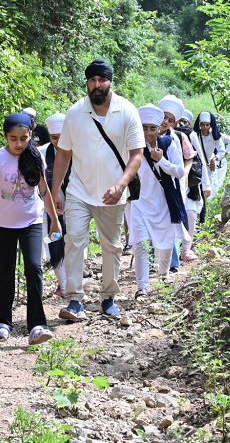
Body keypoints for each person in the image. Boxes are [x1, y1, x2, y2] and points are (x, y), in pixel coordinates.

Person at [50, 59, 145, 321]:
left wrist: (121, 184)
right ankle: (75, 300)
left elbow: (137, 155)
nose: (96, 85)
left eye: (101, 80)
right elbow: (63, 154)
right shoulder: (75, 112)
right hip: (79, 191)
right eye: (92, 80)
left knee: (112, 246)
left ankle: (108, 298)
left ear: (110, 82)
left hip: (113, 193)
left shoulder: (126, 111)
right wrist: (56, 190)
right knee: (74, 242)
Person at [0, 112, 62, 344]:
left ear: (30, 135)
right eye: (13, 138)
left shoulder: (36, 157)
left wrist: (54, 220)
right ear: (5, 136)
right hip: (3, 223)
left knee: (34, 267)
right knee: (5, 271)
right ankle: (3, 321)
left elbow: (44, 191)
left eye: (23, 138)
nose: (18, 144)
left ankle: (37, 324)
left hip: (31, 222)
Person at [128, 104, 188, 297]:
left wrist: (160, 160)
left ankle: (164, 273)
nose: (148, 132)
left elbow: (179, 172)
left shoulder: (169, 144)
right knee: (140, 244)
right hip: (138, 202)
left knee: (165, 244)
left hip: (163, 202)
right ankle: (142, 287)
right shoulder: (131, 146)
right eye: (143, 128)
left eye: (152, 128)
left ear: (159, 127)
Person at [158, 96, 205, 262]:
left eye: (170, 120)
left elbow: (189, 157)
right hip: (152, 185)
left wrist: (184, 175)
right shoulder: (144, 133)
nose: (165, 122)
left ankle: (171, 261)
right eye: (163, 117)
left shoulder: (179, 137)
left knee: (172, 219)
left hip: (174, 183)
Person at [41, 112, 70, 298]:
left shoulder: (78, 149)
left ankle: (71, 283)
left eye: (62, 137)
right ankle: (64, 284)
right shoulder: (42, 152)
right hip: (49, 204)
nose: (58, 142)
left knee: (73, 243)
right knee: (53, 240)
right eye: (54, 138)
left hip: (74, 202)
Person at [191, 112, 226, 223]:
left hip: (209, 168)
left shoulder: (214, 136)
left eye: (207, 125)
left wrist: (214, 159)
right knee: (197, 190)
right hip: (197, 167)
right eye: (203, 125)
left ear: (210, 125)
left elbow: (222, 151)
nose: (205, 127)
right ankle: (197, 216)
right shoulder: (195, 135)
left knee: (206, 192)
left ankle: (203, 217)